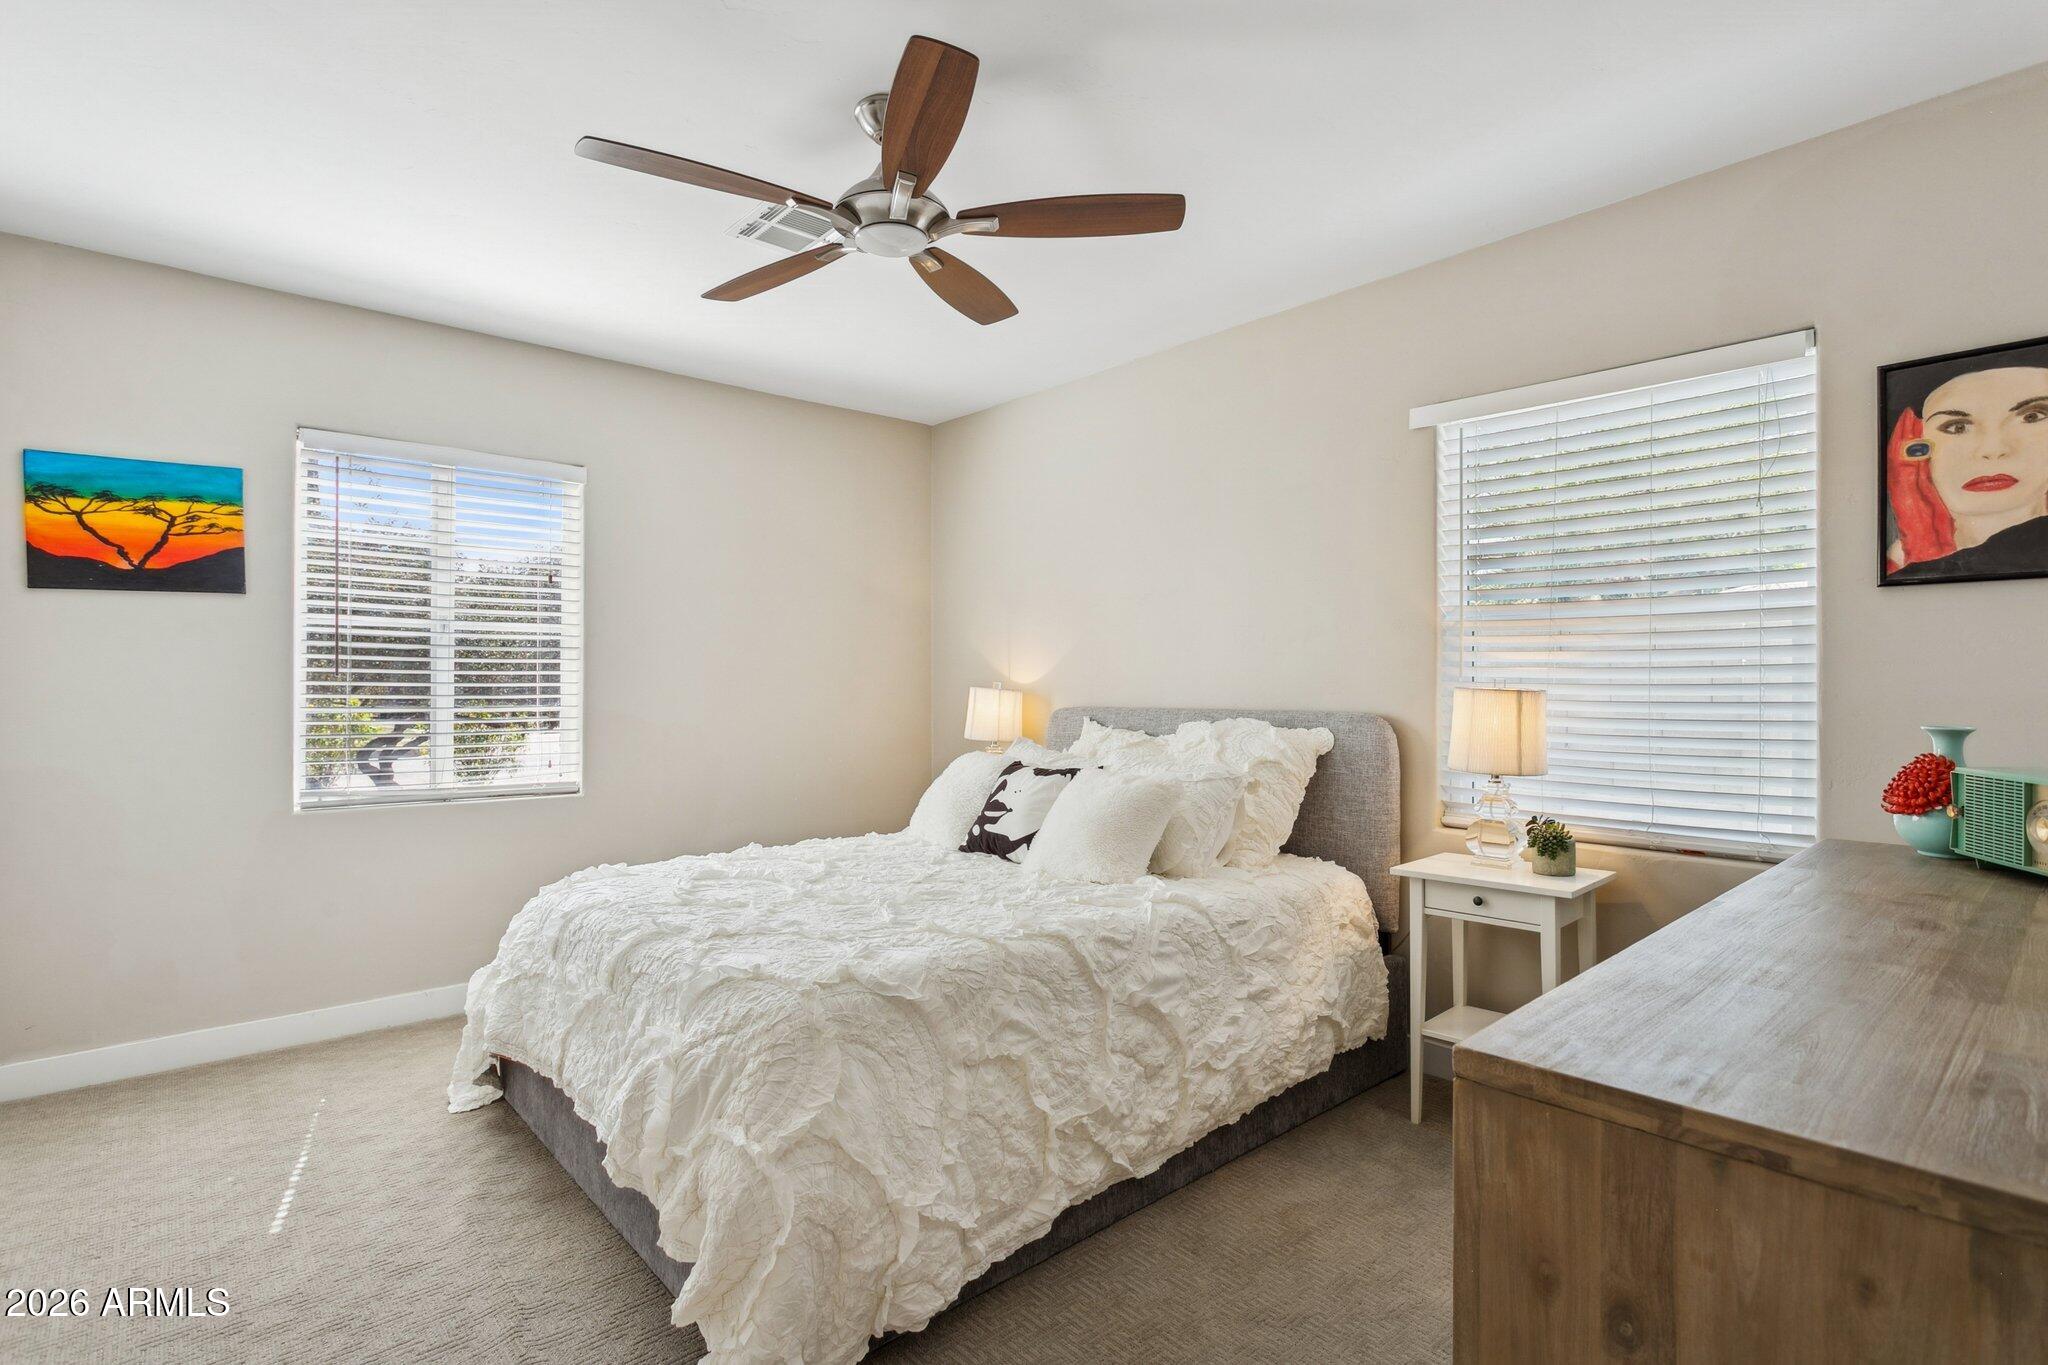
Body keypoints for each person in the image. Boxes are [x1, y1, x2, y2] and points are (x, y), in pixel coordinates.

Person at [1886, 365, 2048, 581]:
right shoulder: (1892, 567)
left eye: (2031, 417)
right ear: (1914, 443)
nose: (1993, 450)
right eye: (1957, 427)